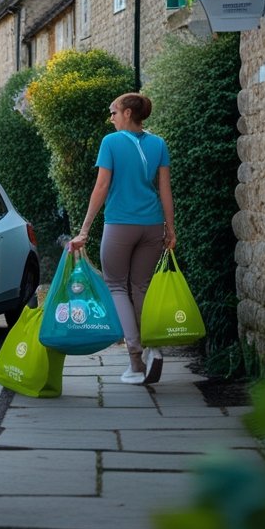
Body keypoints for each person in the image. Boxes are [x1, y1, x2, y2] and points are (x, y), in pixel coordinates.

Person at [67, 92, 176, 385]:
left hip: (120, 225)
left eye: (113, 111)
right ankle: (153, 347)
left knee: (116, 286)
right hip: (152, 225)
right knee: (140, 287)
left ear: (128, 113)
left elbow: (101, 186)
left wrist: (85, 228)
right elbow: (165, 189)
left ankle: (136, 361)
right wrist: (171, 228)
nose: (111, 117)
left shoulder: (110, 142)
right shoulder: (158, 143)